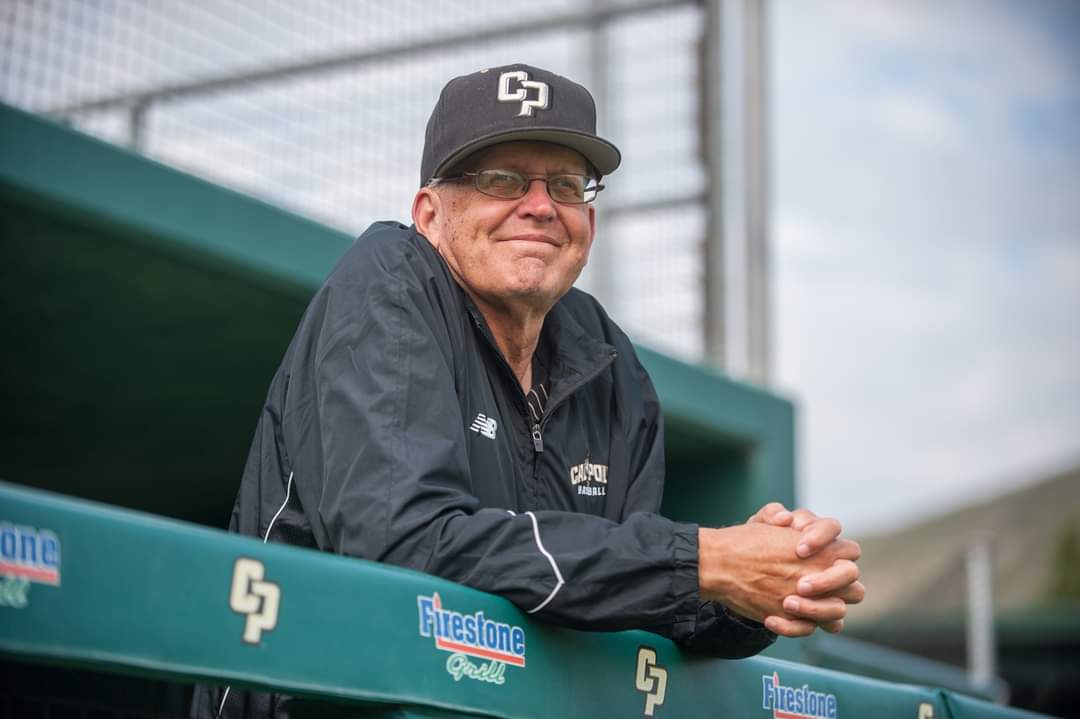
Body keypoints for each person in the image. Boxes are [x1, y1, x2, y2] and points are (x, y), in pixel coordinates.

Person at [192, 63, 863, 718]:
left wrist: (765, 587)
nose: (539, 206)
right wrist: (701, 561)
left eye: (566, 186)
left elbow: (624, 595)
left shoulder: (608, 364)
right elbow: (404, 544)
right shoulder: (389, 287)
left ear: (587, 227)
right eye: (500, 178)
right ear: (430, 213)